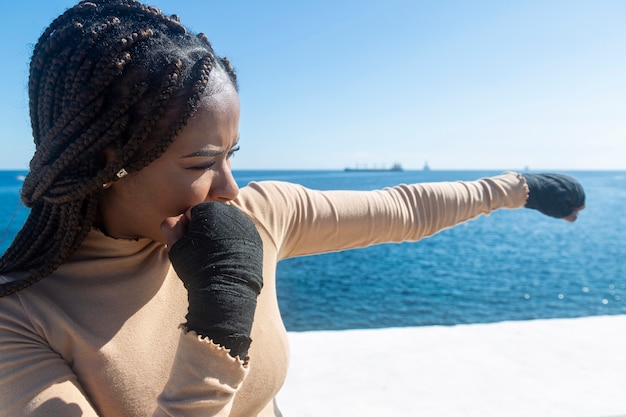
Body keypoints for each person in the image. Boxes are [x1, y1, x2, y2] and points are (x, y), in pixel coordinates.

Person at [0, 0, 585, 416]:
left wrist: (522, 187)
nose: (232, 189)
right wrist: (218, 327)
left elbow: (405, 208)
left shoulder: (258, 215)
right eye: (203, 162)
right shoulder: (20, 323)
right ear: (111, 161)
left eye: (232, 155)